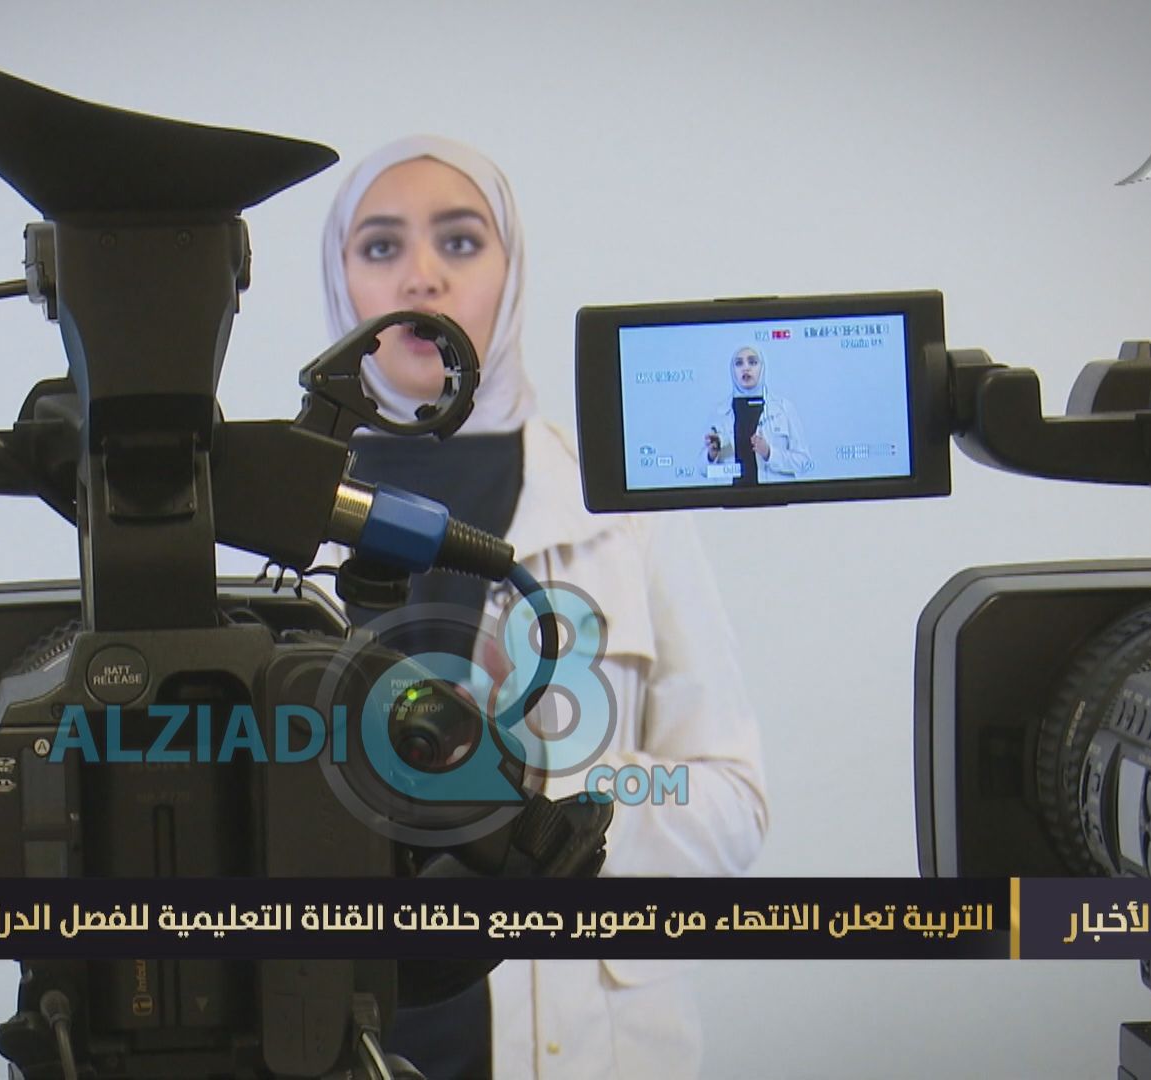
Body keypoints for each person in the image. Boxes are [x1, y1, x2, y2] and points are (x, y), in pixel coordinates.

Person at [320, 135, 769, 1079]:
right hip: (335, 1034)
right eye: (381, 246)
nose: (422, 277)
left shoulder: (620, 508)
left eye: (460, 241)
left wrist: (536, 794)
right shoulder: (267, 520)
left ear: (511, 271)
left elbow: (733, 804)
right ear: (341, 280)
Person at [702, 345, 812, 484]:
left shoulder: (783, 408)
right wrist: (711, 455)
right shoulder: (720, 412)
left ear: (762, 367)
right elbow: (703, 470)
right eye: (739, 363)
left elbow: (804, 462)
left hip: (776, 494)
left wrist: (769, 453)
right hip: (732, 495)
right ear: (732, 370)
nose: (746, 368)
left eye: (752, 362)